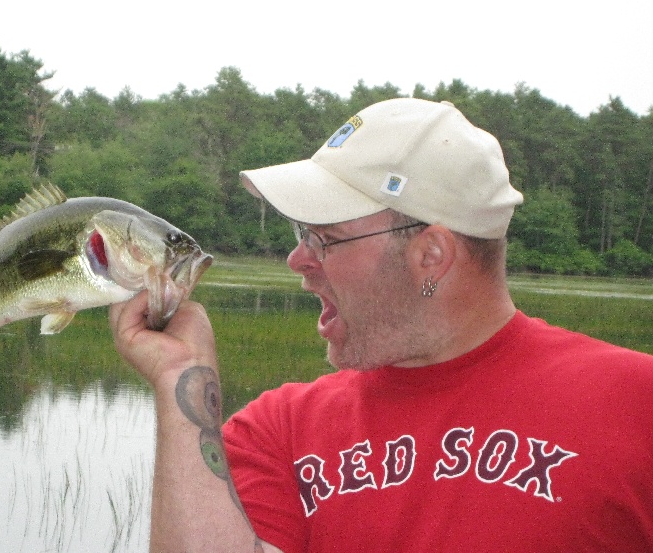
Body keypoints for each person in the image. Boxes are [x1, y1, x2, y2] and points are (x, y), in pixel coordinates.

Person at [110, 98, 653, 552]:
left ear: (430, 255)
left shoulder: (636, 406)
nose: (297, 260)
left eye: (322, 236)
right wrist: (181, 377)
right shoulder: (280, 433)